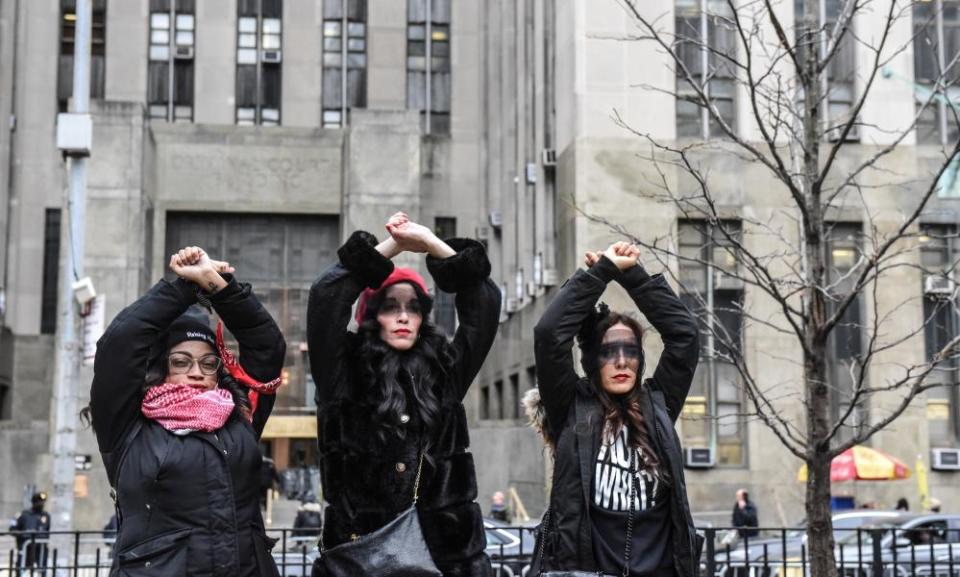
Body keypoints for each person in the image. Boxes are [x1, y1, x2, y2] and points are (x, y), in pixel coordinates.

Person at [308, 212, 501, 576]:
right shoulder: (342, 374)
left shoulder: (444, 372)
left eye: (413, 308)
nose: (402, 317)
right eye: (389, 306)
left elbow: (485, 304)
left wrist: (430, 243)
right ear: (371, 316)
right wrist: (393, 245)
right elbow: (326, 297)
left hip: (448, 562)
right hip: (358, 560)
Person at [88, 246, 286, 577]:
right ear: (159, 367)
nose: (196, 372)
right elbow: (120, 345)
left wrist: (220, 288)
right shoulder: (128, 425)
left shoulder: (240, 415)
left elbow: (267, 346)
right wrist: (185, 287)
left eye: (209, 364)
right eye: (181, 361)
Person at [532, 241, 703, 577]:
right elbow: (550, 334)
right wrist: (599, 274)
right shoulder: (570, 405)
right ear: (593, 360)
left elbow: (684, 335)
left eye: (631, 351)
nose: (622, 362)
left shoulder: (658, 405)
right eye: (609, 352)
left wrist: (632, 275)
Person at [14, 492, 50, 570]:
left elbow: (47, 530)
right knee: (22, 567)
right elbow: (14, 528)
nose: (41, 504)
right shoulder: (24, 515)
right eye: (39, 502)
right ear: (34, 502)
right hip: (27, 546)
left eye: (43, 502)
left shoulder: (45, 515)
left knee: (42, 567)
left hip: (40, 547)